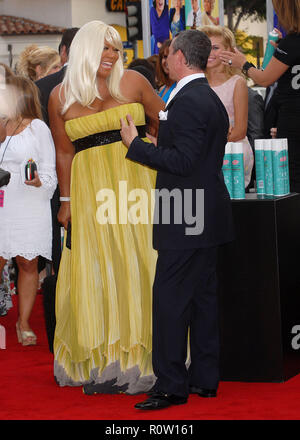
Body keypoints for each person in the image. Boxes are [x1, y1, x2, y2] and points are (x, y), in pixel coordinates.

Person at [48, 21, 164, 393]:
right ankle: (104, 356)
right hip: (89, 191)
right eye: (104, 48)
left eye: (116, 49)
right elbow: (64, 152)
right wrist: (65, 202)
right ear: (84, 49)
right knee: (98, 267)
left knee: (140, 262)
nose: (112, 55)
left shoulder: (132, 82)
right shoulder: (60, 96)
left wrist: (162, 163)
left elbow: (165, 124)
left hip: (136, 185)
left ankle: (147, 354)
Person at [120, 29, 234, 410]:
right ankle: (204, 378)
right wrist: (161, 147)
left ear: (182, 58)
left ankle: (170, 385)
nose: (164, 61)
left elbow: (184, 163)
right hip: (207, 212)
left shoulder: (187, 100)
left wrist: (136, 146)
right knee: (202, 300)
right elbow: (195, 156)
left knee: (169, 301)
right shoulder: (208, 98)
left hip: (185, 215)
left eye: (168, 55)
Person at [219, 0, 300, 192]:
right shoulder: (290, 44)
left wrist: (243, 64)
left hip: (293, 119)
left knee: (294, 174)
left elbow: (264, 79)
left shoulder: (293, 42)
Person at [0, 75, 57, 345]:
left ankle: (23, 323)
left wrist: (38, 182)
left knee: (27, 262)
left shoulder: (38, 129)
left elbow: (49, 172)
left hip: (29, 203)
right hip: (2, 203)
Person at [200, 25, 254, 188]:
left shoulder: (237, 83)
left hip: (232, 155)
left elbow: (240, 130)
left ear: (229, 51)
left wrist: (206, 143)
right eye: (205, 47)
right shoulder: (197, 83)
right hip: (202, 153)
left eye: (215, 47)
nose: (210, 52)